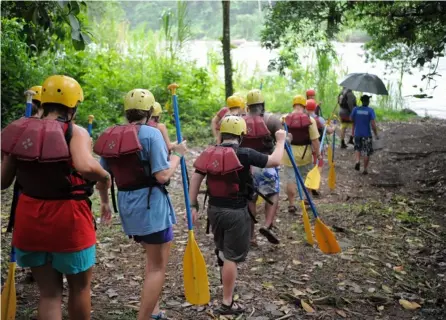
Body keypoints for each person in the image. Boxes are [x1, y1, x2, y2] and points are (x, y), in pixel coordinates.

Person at [1, 75, 111, 320]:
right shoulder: (75, 131)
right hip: (68, 219)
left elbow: (3, 181)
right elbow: (84, 165)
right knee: (80, 288)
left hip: (29, 218)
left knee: (49, 294)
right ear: (73, 106)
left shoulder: (20, 130)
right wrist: (104, 175)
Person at [94, 88, 187, 320]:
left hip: (127, 206)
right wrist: (179, 156)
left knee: (152, 259)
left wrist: (104, 202)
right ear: (149, 111)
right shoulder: (151, 134)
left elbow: (103, 177)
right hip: (151, 206)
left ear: (127, 112)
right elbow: (162, 176)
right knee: (158, 266)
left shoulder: (112, 135)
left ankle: (153, 310)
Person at [189, 116, 286, 315]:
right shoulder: (246, 153)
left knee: (223, 250)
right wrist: (281, 139)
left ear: (222, 133)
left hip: (214, 211)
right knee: (232, 257)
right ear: (241, 135)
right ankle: (227, 302)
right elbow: (275, 160)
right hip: (236, 212)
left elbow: (197, 176)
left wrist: (192, 204)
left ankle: (226, 280)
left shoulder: (209, 152)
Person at [240, 89, 283, 245]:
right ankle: (267, 225)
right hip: (267, 162)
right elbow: (284, 138)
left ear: (248, 106)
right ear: (262, 104)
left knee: (251, 198)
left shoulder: (239, 121)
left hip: (246, 166)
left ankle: (251, 236)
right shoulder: (272, 120)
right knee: (273, 193)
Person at [283, 95, 321, 213]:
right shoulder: (310, 120)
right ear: (304, 106)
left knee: (291, 178)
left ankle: (291, 204)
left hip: (289, 154)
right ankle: (306, 200)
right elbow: (314, 140)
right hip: (305, 154)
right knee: (306, 177)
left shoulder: (284, 118)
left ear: (293, 105)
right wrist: (318, 153)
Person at [351, 95, 379, 175]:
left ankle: (357, 161)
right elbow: (373, 125)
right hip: (367, 135)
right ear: (368, 102)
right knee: (367, 152)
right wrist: (376, 134)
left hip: (357, 134)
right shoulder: (370, 111)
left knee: (357, 148)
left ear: (362, 101)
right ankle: (365, 169)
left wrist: (353, 132)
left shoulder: (355, 109)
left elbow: (352, 120)